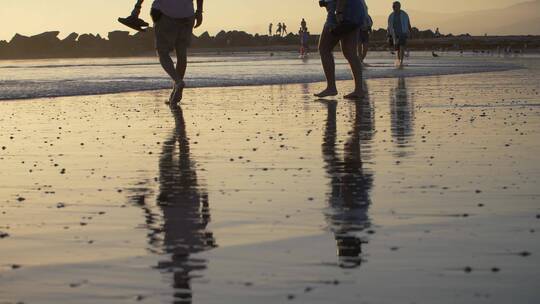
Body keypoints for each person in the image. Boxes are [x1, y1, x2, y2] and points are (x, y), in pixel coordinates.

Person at [315, 0, 366, 99]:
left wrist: (339, 12)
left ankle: (331, 87)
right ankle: (359, 89)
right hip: (355, 11)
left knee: (324, 49)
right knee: (350, 52)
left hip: (341, 10)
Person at [387, 1, 412, 68]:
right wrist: (388, 34)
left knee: (402, 47)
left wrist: (410, 31)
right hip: (394, 34)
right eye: (393, 6)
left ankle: (401, 61)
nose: (394, 7)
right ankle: (398, 60)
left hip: (403, 33)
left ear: (399, 6)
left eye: (395, 6)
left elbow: (408, 23)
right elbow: (389, 26)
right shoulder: (391, 16)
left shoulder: (404, 14)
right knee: (397, 49)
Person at [358, 0, 372, 66]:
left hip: (365, 32)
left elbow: (370, 24)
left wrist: (370, 30)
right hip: (358, 31)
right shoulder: (357, 15)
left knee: (365, 48)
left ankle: (361, 60)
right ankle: (359, 61)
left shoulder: (367, 17)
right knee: (359, 47)